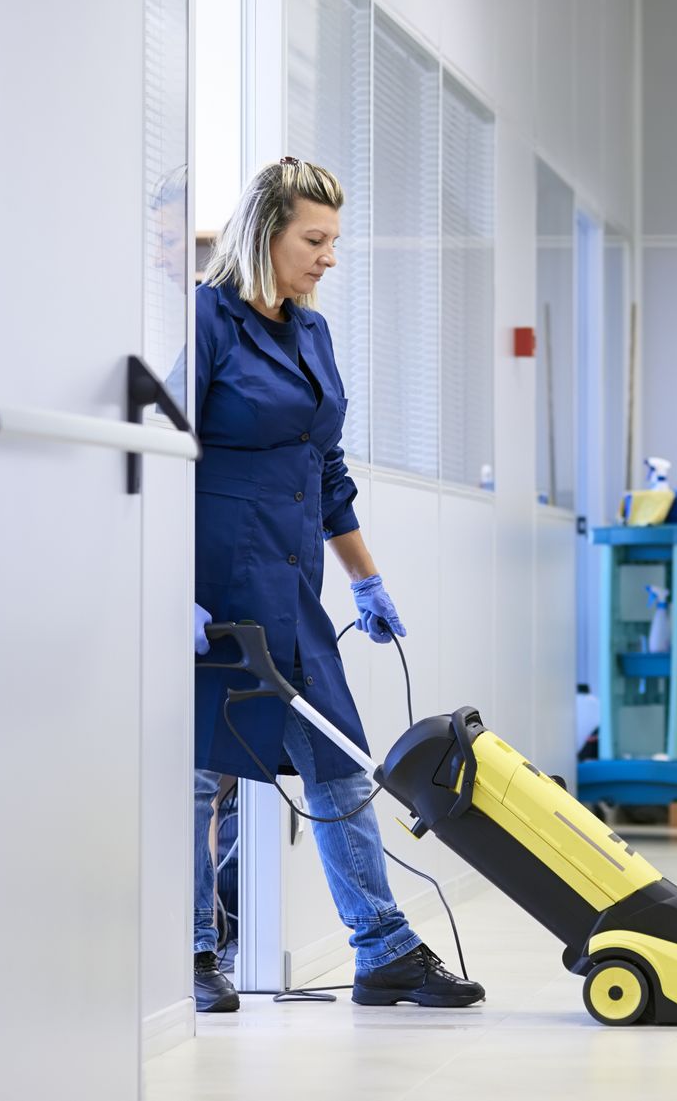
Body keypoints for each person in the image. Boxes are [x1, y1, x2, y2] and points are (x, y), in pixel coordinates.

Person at [188, 157, 483, 1013]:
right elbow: (165, 450)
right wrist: (167, 584)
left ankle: (382, 948)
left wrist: (367, 580)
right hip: (214, 585)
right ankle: (191, 950)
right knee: (199, 774)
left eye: (333, 240)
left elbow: (327, 472)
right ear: (264, 234)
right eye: (314, 239)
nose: (328, 257)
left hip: (292, 588)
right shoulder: (205, 321)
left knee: (341, 762)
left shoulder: (309, 332)